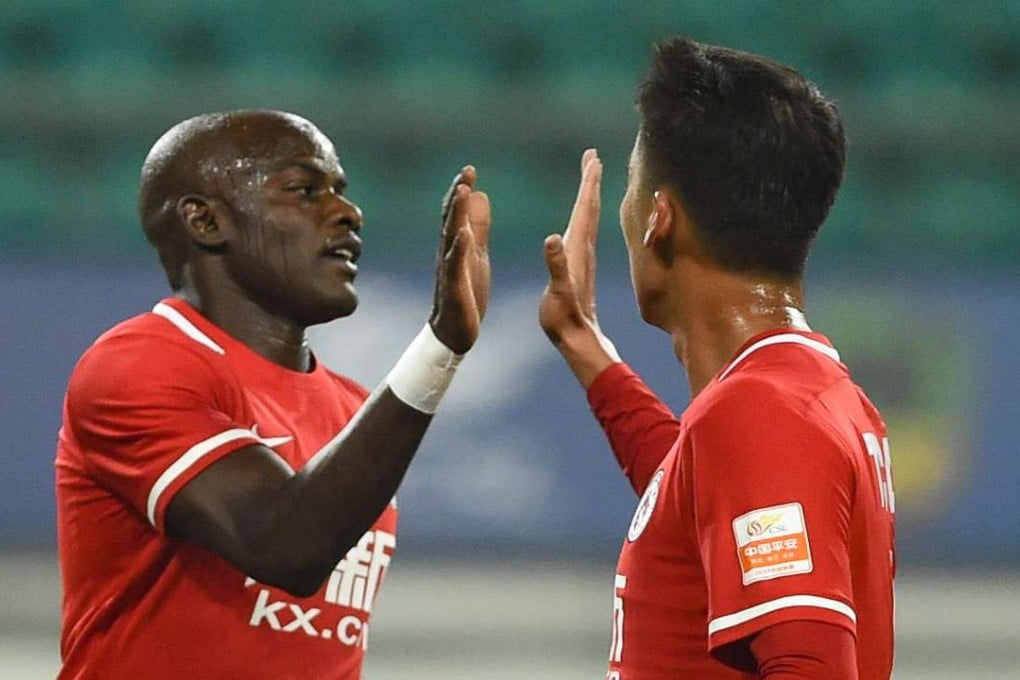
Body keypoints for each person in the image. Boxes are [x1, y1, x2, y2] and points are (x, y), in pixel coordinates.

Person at [54, 110, 490, 679]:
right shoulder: (138, 366)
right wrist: (440, 346)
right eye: (304, 191)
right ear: (207, 222)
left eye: (341, 191)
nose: (347, 213)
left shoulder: (355, 410)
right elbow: (283, 545)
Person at [539, 37, 894, 678]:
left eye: (631, 188)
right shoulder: (801, 393)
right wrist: (587, 348)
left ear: (659, 220)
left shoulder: (760, 414)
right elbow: (704, 504)